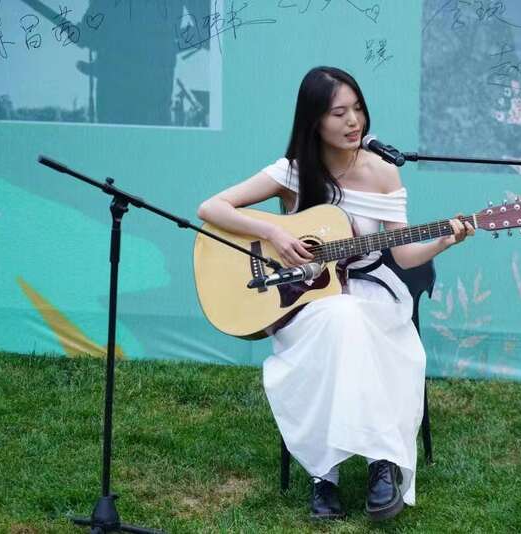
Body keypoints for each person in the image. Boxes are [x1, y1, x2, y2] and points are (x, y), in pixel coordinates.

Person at [197, 66, 474, 521]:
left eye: (358, 109)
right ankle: (359, 468)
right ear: (314, 121)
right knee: (339, 319)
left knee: (349, 320)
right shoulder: (292, 172)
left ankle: (342, 473)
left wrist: (445, 239)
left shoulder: (383, 173)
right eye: (339, 112)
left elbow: (403, 256)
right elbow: (211, 208)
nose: (353, 121)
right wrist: (274, 232)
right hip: (307, 303)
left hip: (373, 295)